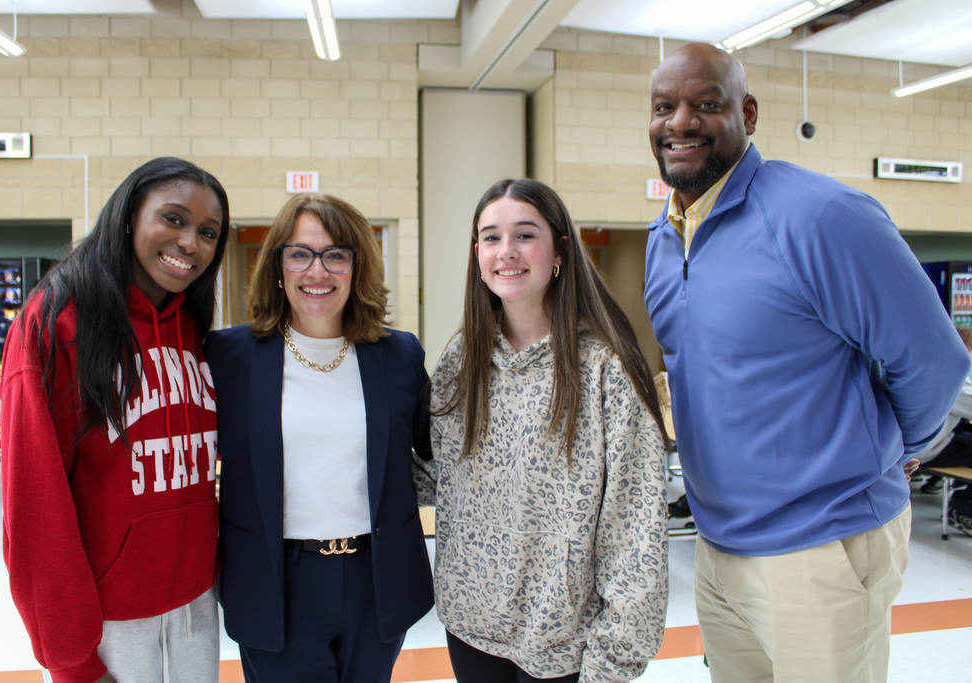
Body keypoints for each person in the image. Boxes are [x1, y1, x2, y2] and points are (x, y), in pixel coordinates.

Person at [643, 42, 971, 683]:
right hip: (718, 546)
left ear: (749, 114)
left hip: (823, 547)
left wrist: (902, 445)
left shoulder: (823, 217)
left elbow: (932, 360)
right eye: (664, 107)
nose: (680, 122)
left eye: (706, 104)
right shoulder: (664, 237)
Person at [426, 178, 669, 682]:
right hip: (469, 628)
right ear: (477, 254)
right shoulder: (461, 361)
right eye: (490, 238)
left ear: (559, 249)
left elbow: (636, 530)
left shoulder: (606, 369)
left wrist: (613, 661)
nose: (506, 252)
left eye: (524, 235)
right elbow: (439, 476)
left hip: (565, 647)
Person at [0, 157, 230, 683]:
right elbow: (34, 510)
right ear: (129, 217)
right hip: (107, 623)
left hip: (195, 602)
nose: (190, 242)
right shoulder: (56, 321)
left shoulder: (191, 326)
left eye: (208, 232)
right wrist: (73, 659)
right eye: (173, 218)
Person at [205, 193, 434, 683]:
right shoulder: (230, 356)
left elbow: (441, 452)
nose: (317, 271)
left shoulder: (398, 355)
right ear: (278, 265)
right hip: (275, 579)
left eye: (335, 255)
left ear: (357, 266)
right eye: (300, 253)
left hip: (375, 582)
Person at [913, 326, 972, 535]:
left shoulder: (926, 367)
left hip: (915, 443)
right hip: (925, 449)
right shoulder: (952, 376)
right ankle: (964, 508)